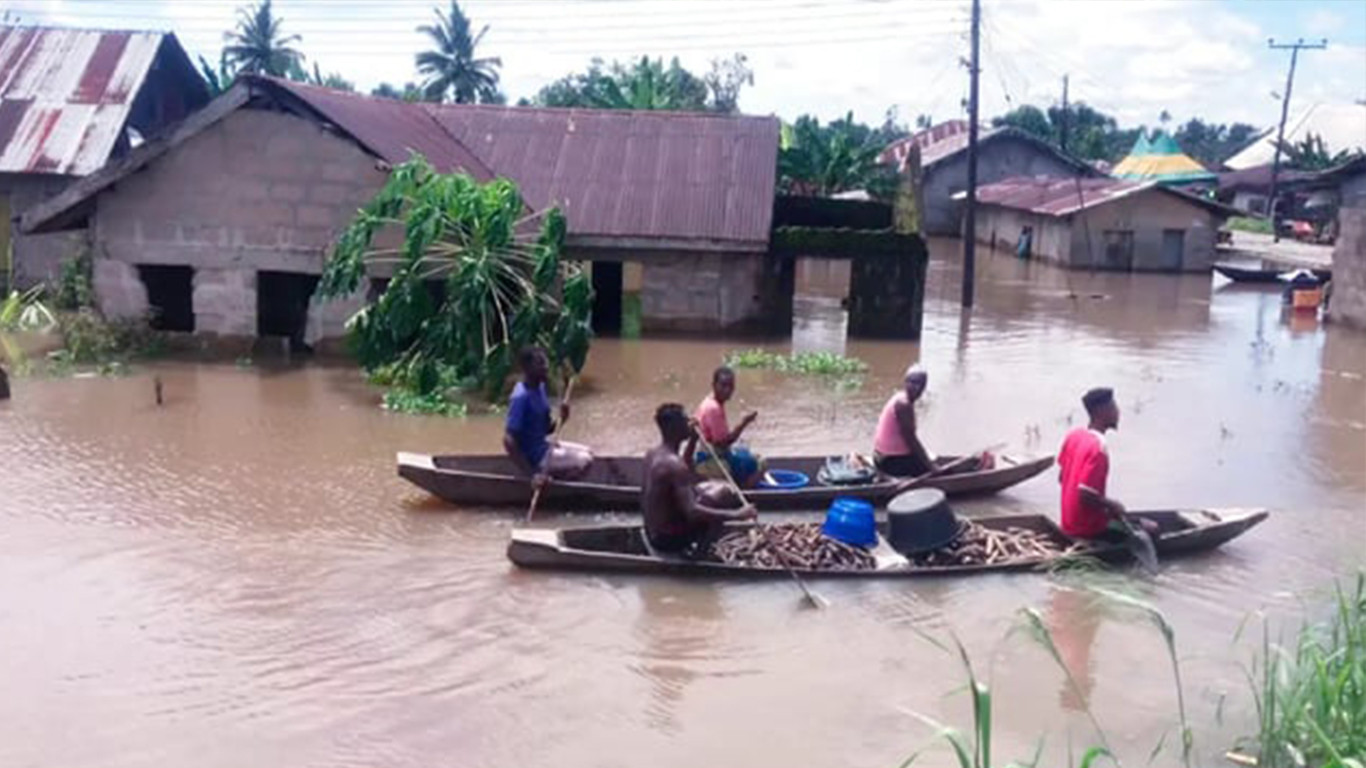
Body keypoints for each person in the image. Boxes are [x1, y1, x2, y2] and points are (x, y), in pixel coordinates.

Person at [643, 403, 756, 554]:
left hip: (652, 530)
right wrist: (738, 515)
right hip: (666, 539)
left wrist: (693, 440)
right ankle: (699, 557)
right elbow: (691, 512)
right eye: (684, 420)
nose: (689, 422)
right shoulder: (674, 465)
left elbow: (684, 468)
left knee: (720, 488)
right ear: (674, 428)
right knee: (722, 501)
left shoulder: (652, 453)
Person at [1056, 387, 1156, 539]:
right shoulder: (1098, 449)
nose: (1118, 413)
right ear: (1102, 411)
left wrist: (1103, 505)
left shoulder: (1074, 436)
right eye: (1114, 408)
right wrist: (1111, 505)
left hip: (1067, 523)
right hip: (1088, 529)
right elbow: (1085, 496)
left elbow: (1062, 478)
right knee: (1152, 529)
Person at [503, 346, 593, 491]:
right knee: (585, 461)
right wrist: (532, 475)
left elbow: (546, 430)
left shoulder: (540, 388)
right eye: (540, 364)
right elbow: (508, 441)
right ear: (527, 368)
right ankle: (554, 487)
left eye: (545, 362)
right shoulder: (520, 397)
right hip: (535, 457)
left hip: (543, 445)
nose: (546, 367)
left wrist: (562, 419)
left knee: (589, 452)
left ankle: (554, 479)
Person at [693, 365, 765, 487]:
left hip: (706, 454)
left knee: (744, 454)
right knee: (760, 462)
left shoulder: (710, 400)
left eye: (730, 386)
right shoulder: (713, 408)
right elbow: (724, 442)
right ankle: (745, 492)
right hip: (711, 460)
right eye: (723, 385)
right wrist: (744, 423)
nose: (727, 390)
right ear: (714, 385)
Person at [872, 365, 938, 477]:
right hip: (889, 462)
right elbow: (911, 440)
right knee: (934, 470)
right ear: (905, 382)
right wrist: (931, 467)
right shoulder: (904, 404)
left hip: (882, 457)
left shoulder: (900, 397)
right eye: (912, 382)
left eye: (920, 384)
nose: (916, 387)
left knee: (929, 458)